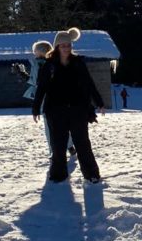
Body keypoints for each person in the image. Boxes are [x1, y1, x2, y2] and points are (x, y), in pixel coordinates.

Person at [32, 28, 105, 183]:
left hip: (78, 109)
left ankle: (91, 174)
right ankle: (58, 175)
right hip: (55, 110)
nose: (66, 48)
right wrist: (35, 107)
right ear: (57, 47)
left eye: (68, 45)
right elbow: (41, 87)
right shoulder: (49, 65)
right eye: (62, 45)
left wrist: (98, 102)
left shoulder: (78, 63)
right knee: (58, 144)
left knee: (83, 143)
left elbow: (89, 84)